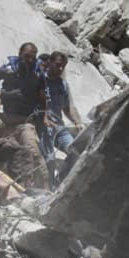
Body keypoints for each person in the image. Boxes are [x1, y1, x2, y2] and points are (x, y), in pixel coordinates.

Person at [40, 51, 84, 183]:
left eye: (63, 66)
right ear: (50, 63)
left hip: (59, 128)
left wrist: (78, 123)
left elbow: (68, 108)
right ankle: (49, 186)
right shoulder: (39, 80)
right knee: (49, 159)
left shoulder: (63, 85)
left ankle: (61, 180)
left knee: (75, 151)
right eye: (58, 65)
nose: (60, 69)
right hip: (42, 127)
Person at [0, 42, 44, 120]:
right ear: (20, 54)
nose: (30, 60)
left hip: (27, 118)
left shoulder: (38, 73)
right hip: (7, 115)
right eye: (27, 56)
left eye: (33, 58)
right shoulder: (9, 69)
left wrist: (44, 117)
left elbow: (41, 97)